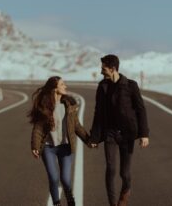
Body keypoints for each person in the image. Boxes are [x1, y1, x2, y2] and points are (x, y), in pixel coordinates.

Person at [89, 54, 150, 206]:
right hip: (110, 133)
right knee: (110, 169)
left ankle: (126, 189)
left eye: (103, 68)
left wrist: (144, 134)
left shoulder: (130, 85)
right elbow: (98, 112)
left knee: (125, 173)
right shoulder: (102, 87)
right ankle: (112, 204)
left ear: (113, 68)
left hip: (127, 134)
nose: (101, 71)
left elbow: (141, 110)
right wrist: (94, 137)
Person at [28, 76, 90, 206]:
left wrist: (89, 140)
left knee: (66, 180)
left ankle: (70, 198)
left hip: (65, 147)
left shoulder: (69, 105)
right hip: (48, 147)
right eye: (62, 84)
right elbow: (38, 128)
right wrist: (35, 146)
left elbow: (76, 126)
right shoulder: (45, 106)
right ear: (55, 88)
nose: (65, 86)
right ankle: (57, 203)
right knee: (53, 178)